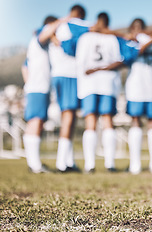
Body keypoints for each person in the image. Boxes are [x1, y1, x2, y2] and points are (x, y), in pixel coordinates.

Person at [39, 4, 91, 173]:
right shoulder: (66, 26)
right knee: (68, 116)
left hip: (66, 75)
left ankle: (68, 160)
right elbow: (42, 36)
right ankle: (62, 163)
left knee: (71, 117)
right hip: (69, 75)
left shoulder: (60, 27)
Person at [76, 12, 124, 173]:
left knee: (91, 123)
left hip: (90, 84)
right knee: (107, 122)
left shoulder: (85, 38)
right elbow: (118, 61)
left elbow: (80, 63)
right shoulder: (111, 39)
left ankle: (90, 164)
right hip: (108, 84)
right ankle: (109, 164)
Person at [125, 18, 152, 175]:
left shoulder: (131, 42)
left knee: (136, 121)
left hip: (136, 87)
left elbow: (127, 58)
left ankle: (136, 165)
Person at [21, 16, 58, 173]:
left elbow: (24, 67)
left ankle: (34, 163)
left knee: (38, 122)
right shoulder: (39, 39)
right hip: (37, 88)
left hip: (37, 88)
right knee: (35, 122)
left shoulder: (40, 46)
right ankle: (34, 165)